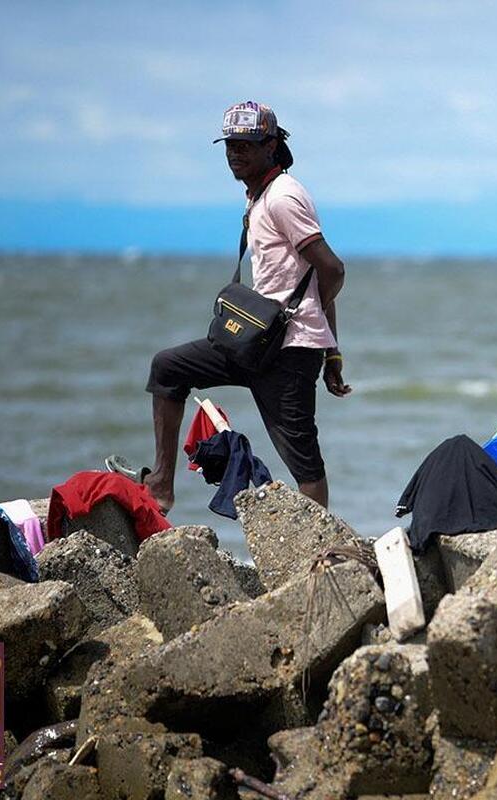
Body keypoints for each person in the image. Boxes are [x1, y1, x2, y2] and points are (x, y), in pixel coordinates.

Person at [140, 101, 351, 513]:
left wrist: (321, 342)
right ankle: (162, 484)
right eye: (230, 145)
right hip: (255, 341)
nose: (235, 153)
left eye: (246, 145)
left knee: (304, 463)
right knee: (168, 368)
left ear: (271, 145)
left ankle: (315, 550)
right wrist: (334, 349)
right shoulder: (260, 196)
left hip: (288, 352)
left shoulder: (284, 198)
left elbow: (332, 270)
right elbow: (307, 279)